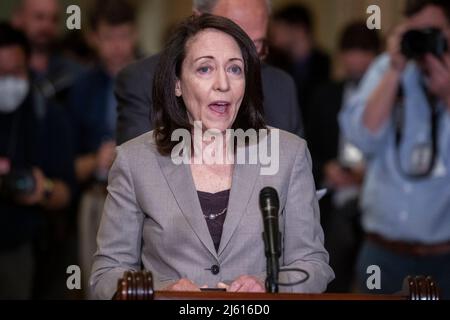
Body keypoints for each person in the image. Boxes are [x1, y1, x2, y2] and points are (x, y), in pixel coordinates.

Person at [90, 14, 333, 299]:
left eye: (235, 69)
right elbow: (106, 275)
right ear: (177, 83)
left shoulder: (288, 154)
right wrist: (160, 291)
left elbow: (314, 266)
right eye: (205, 69)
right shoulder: (135, 160)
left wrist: (268, 284)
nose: (223, 84)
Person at [339, 0, 450, 298]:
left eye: (434, 32)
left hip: (444, 256)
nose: (424, 41)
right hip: (382, 251)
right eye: (416, 32)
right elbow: (361, 138)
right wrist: (394, 70)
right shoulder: (386, 67)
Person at [115, 0, 304, 145]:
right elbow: (144, 176)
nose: (245, 58)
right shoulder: (143, 80)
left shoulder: (281, 86)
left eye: (256, 45)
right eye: (233, 39)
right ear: (198, 20)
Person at [68, 0, 138, 298]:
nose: (117, 46)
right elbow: (66, 162)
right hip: (97, 198)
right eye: (109, 38)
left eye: (123, 36)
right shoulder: (81, 87)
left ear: (134, 34)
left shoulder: (156, 77)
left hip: (146, 200)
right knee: (97, 287)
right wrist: (96, 160)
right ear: (95, 38)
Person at [0, 22, 73, 299]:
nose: (8, 81)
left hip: (26, 250)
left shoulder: (48, 117)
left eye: (16, 72)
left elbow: (66, 193)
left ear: (28, 66)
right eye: (1, 73)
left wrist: (43, 190)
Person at [308, 22, 381, 292]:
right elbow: (306, 146)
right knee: (331, 276)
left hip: (375, 202)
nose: (357, 59)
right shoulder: (325, 94)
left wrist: (368, 175)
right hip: (335, 197)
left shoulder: (389, 99)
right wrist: (326, 169)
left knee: (375, 284)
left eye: (364, 51)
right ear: (341, 54)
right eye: (351, 51)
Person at [268, 4, 331, 132]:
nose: (274, 33)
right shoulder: (276, 61)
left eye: (281, 27)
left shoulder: (324, 63)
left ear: (299, 29)